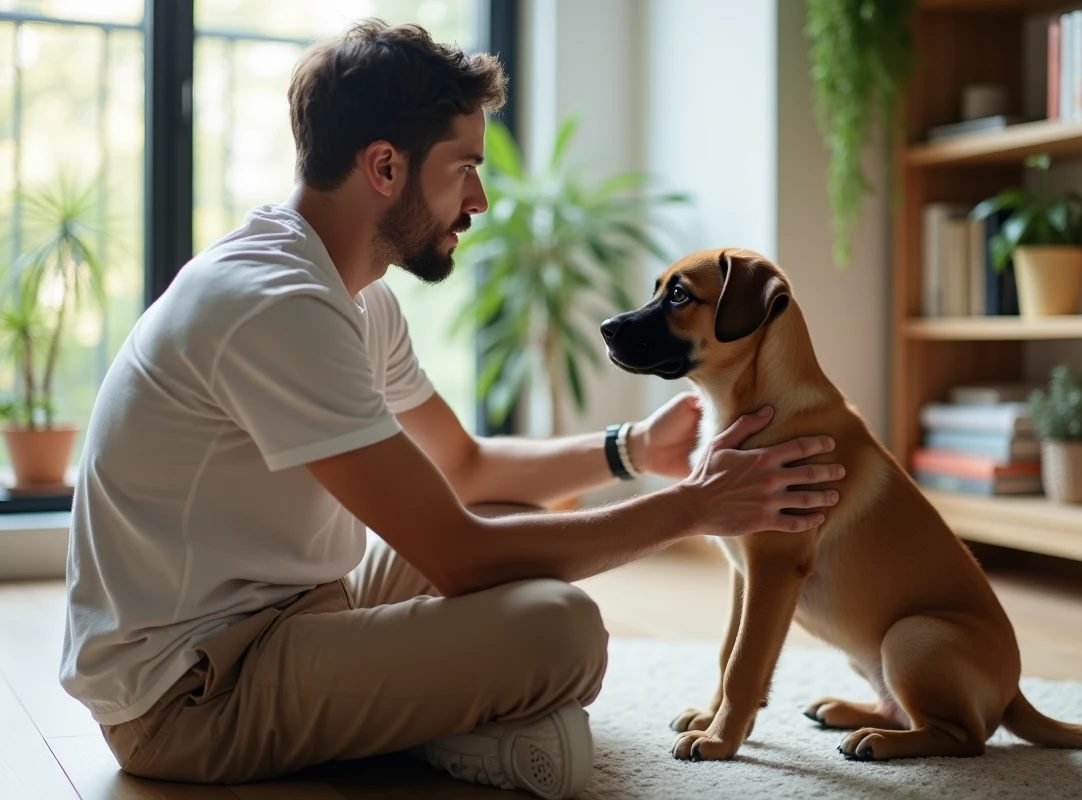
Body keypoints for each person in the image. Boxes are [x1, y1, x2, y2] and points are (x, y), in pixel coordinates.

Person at [59, 19, 844, 800]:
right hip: (193, 694)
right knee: (561, 631)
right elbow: (459, 559)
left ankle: (435, 710)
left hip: (299, 608)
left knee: (508, 509)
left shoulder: (355, 298)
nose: (480, 197)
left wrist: (635, 448)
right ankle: (457, 737)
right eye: (464, 166)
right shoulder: (276, 305)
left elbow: (464, 467)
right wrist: (697, 507)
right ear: (385, 166)